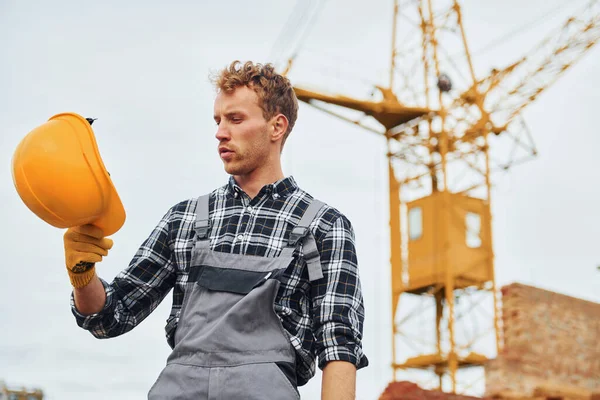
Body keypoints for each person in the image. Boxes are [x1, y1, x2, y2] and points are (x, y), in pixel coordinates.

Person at [64, 60, 368, 399]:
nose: (220, 132)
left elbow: (338, 343)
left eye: (235, 119)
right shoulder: (185, 219)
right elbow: (113, 314)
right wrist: (83, 273)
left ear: (276, 127)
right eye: (218, 120)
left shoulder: (324, 226)